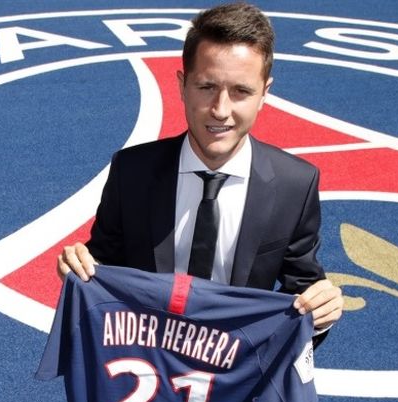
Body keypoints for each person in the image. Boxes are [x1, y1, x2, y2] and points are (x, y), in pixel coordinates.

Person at [57, 2, 343, 341]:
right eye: (207, 87)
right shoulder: (131, 172)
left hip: (237, 377)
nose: (220, 110)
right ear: (182, 85)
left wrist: (322, 311)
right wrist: (79, 267)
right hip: (147, 370)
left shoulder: (295, 185)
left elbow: (304, 290)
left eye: (241, 91)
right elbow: (104, 265)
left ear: (265, 93)